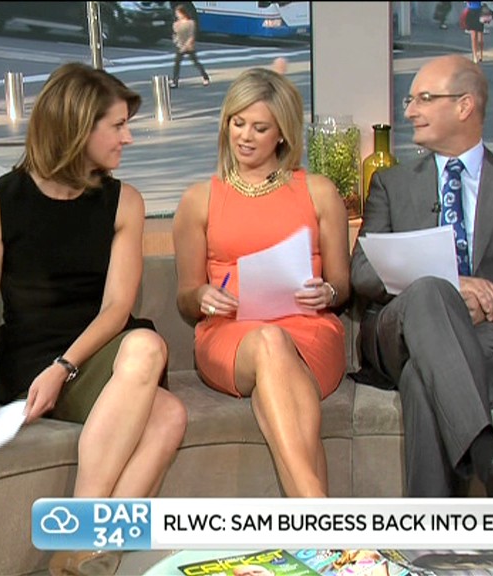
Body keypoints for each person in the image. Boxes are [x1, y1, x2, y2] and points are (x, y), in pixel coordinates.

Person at [0, 62, 187, 576]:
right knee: (167, 412)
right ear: (78, 127)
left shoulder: (124, 202)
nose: (128, 138)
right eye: (118, 126)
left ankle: (79, 550)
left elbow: (116, 309)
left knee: (151, 360)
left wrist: (66, 366)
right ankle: (86, 554)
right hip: (30, 362)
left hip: (100, 354)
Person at [350, 55, 493, 498]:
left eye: (424, 99)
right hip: (400, 331)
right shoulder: (392, 184)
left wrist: (492, 300)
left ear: (465, 105)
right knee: (432, 290)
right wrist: (453, 287)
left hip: (492, 333)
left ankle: (437, 531)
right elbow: (362, 270)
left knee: (422, 381)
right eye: (410, 100)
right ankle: (492, 460)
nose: (410, 111)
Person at [172, 67, 349, 498]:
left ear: (282, 134)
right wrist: (203, 296)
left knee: (278, 359)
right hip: (230, 335)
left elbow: (342, 286)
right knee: (269, 342)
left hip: (309, 333)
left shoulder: (319, 192)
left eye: (260, 127)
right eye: (237, 123)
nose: (245, 137)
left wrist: (327, 291)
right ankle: (321, 511)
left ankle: (315, 513)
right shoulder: (199, 199)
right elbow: (185, 298)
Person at [170, 3, 210, 88]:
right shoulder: (176, 24)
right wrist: (176, 42)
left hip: (189, 47)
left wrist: (186, 46)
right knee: (177, 64)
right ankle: (175, 81)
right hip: (180, 46)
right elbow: (175, 34)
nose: (177, 15)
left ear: (183, 13)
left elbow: (192, 36)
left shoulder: (191, 23)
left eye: (178, 13)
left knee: (196, 62)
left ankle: (205, 77)